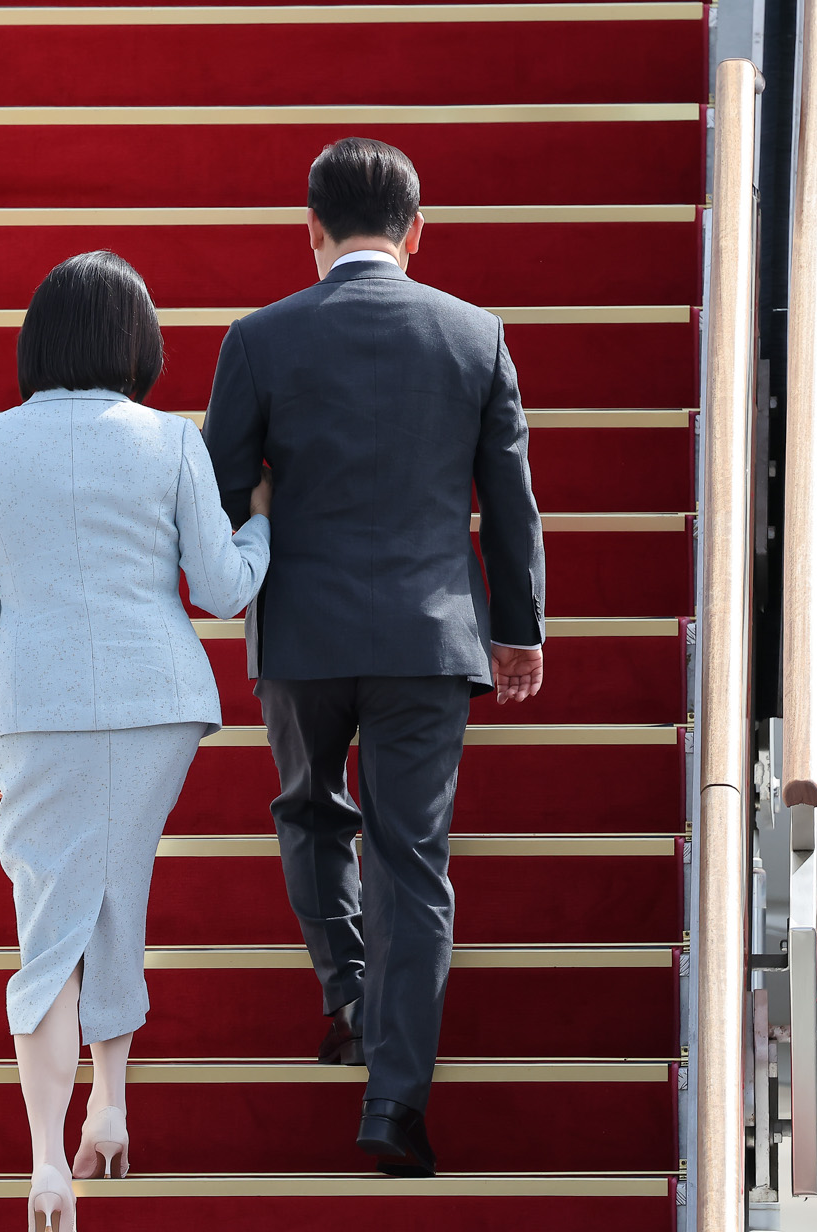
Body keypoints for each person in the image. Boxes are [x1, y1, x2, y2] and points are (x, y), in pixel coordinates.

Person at [202, 138, 546, 1177]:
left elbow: (217, 491)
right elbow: (509, 501)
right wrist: (517, 627)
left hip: (300, 633)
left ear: (310, 230)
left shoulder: (258, 338)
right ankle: (394, 1100)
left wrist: (261, 515)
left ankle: (344, 985)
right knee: (413, 862)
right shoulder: (473, 336)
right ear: (416, 229)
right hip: (426, 638)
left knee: (310, 810)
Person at [0, 251, 272, 1232]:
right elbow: (220, 589)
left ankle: (47, 1160)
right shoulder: (170, 441)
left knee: (50, 926)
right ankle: (113, 1106)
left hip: (35, 707)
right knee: (115, 890)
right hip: (155, 702)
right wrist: (261, 523)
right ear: (136, 342)